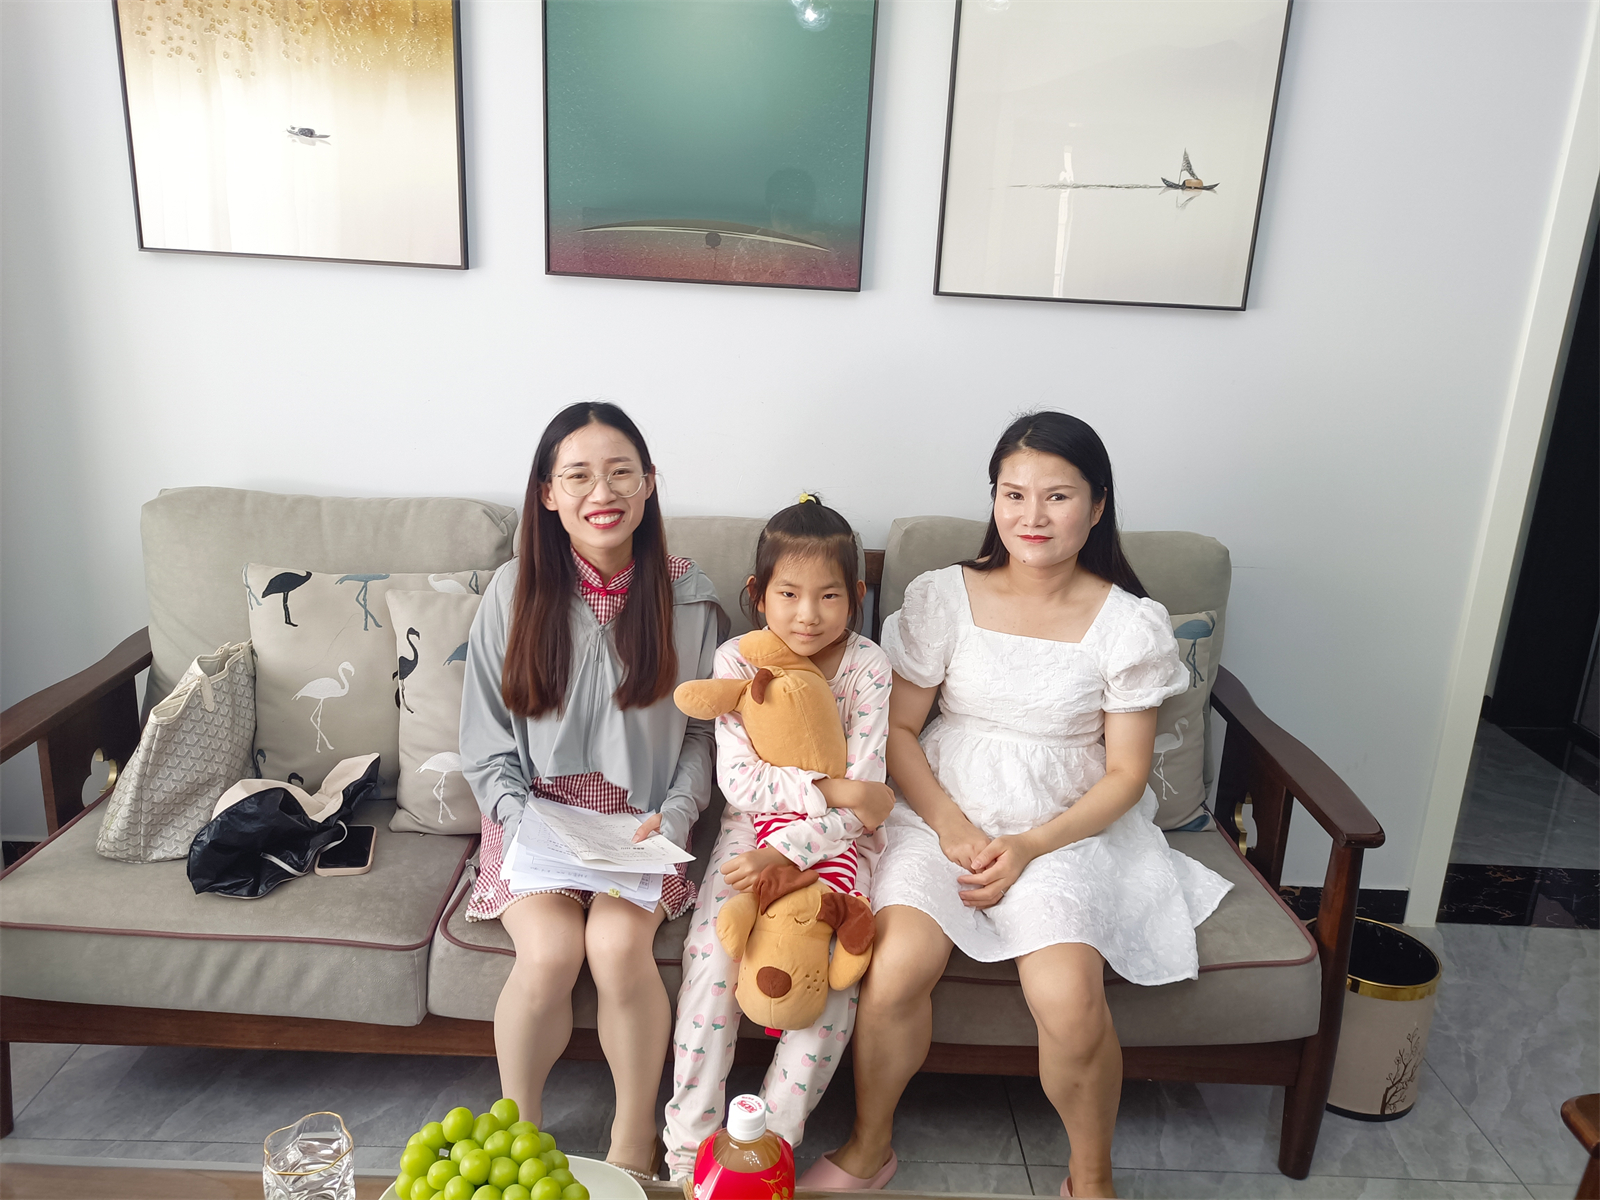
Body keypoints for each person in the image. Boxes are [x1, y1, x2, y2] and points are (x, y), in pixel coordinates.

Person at [805, 412, 1232, 1199]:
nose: (1032, 516)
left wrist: (1031, 845)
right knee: (894, 971)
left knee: (1067, 998)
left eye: (1058, 496)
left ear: (1097, 507)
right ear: (994, 499)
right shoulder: (943, 596)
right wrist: (952, 825)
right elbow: (899, 730)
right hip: (940, 809)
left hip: (1065, 826)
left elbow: (1126, 775)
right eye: (1014, 494)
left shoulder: (1129, 623)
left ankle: (1091, 1179)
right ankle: (869, 1147)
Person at [458, 401, 722, 1182]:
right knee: (548, 953)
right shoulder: (514, 590)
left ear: (648, 484)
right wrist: (520, 819)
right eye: (577, 476)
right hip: (533, 814)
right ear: (547, 493)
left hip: (640, 824)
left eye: (620, 473)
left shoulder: (689, 596)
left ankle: (632, 1143)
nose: (601, 492)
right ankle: (517, 1136)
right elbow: (485, 739)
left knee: (615, 945)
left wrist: (674, 814)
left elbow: (704, 734)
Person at [663, 495, 894, 1181]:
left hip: (839, 849)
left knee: (831, 980)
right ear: (758, 594)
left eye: (829, 595)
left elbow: (869, 802)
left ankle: (770, 1150)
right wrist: (834, 788)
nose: (808, 614)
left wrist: (791, 850)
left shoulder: (869, 668)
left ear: (856, 597)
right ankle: (688, 1153)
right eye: (789, 594)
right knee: (712, 954)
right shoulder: (737, 661)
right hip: (748, 836)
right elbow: (741, 782)